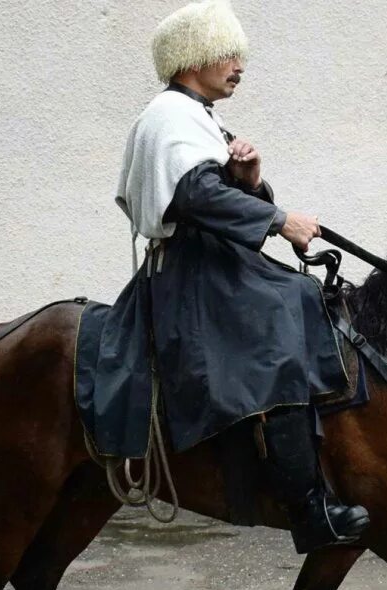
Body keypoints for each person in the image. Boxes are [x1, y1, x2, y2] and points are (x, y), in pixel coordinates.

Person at [114, 0, 370, 553]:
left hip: (217, 263)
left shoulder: (200, 116)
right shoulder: (168, 115)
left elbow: (215, 192)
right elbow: (192, 195)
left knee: (302, 293)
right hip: (193, 273)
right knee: (280, 320)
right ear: (193, 55)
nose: (239, 65)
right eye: (228, 54)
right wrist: (279, 219)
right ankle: (307, 508)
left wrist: (248, 180)